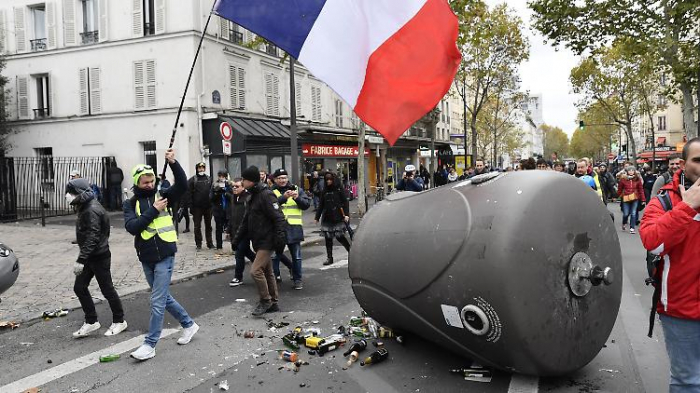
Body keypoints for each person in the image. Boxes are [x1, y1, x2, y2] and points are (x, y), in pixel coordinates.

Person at [124, 150, 199, 361]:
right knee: (163, 297)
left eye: (151, 181)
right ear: (137, 183)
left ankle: (150, 344)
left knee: (157, 300)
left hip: (166, 254)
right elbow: (132, 227)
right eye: (144, 182)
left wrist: (173, 163)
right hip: (146, 256)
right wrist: (154, 210)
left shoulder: (164, 194)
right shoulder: (130, 203)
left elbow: (183, 185)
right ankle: (189, 324)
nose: (149, 185)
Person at [640, 138, 700, 392]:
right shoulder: (666, 201)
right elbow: (653, 242)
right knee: (688, 381)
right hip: (682, 311)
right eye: (698, 160)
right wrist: (687, 207)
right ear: (683, 164)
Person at [67, 178, 127, 338]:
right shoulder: (85, 206)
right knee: (79, 287)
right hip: (91, 256)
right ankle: (92, 321)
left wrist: (81, 259)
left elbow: (93, 236)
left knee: (107, 289)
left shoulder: (91, 209)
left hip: (98, 256)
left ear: (79, 193)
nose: (68, 196)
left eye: (71, 193)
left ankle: (120, 321)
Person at [232, 165, 287, 316]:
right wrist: (236, 239)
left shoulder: (266, 195)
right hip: (258, 240)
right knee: (267, 271)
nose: (242, 181)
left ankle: (265, 300)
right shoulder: (252, 195)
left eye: (244, 179)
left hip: (267, 240)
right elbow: (246, 220)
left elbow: (278, 218)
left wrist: (280, 239)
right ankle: (274, 302)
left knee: (255, 271)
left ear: (251, 181)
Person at [270, 168, 311, 290]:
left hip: (294, 227)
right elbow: (270, 206)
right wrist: (283, 197)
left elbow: (306, 205)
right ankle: (276, 277)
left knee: (297, 256)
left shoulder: (297, 189)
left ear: (287, 178)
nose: (282, 180)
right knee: (275, 255)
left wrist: (297, 198)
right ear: (275, 180)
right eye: (279, 178)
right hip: (278, 228)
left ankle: (297, 279)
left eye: (284, 178)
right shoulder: (271, 192)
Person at [315, 172, 351, 266]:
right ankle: (329, 258)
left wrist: (346, 215)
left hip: (338, 216)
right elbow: (321, 205)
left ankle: (350, 252)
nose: (328, 181)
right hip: (327, 216)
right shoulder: (325, 190)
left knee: (340, 237)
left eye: (330, 179)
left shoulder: (339, 189)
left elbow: (345, 202)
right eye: (327, 180)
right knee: (328, 238)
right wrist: (317, 217)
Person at [228, 178, 256, 287]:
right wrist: (229, 229)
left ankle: (238, 277)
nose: (234, 188)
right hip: (235, 230)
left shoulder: (247, 198)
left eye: (237, 186)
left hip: (245, 231)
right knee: (246, 252)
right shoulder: (233, 198)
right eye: (233, 186)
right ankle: (264, 265)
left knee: (239, 254)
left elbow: (248, 216)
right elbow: (232, 215)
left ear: (243, 187)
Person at [188, 162, 213, 249]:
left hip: (208, 207)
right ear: (197, 169)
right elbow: (189, 194)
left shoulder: (209, 179)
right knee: (197, 226)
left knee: (209, 226)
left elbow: (212, 192)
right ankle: (198, 243)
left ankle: (210, 243)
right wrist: (190, 206)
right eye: (199, 168)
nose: (201, 169)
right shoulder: (192, 180)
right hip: (197, 207)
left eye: (203, 167)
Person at [617, 165, 645, 234]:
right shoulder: (623, 179)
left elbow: (641, 190)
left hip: (635, 198)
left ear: (635, 171)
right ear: (627, 172)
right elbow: (620, 189)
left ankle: (632, 228)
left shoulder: (637, 179)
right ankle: (624, 223)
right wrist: (616, 196)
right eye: (630, 170)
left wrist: (643, 199)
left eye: (632, 170)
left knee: (633, 213)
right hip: (626, 198)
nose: (631, 172)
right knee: (626, 214)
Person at [210, 169, 232, 250]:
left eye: (223, 176)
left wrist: (225, 192)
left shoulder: (229, 185)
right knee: (218, 229)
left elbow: (233, 197)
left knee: (230, 228)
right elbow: (211, 198)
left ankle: (233, 246)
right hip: (218, 211)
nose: (221, 178)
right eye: (220, 176)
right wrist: (217, 192)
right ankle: (219, 246)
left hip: (228, 211)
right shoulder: (215, 185)